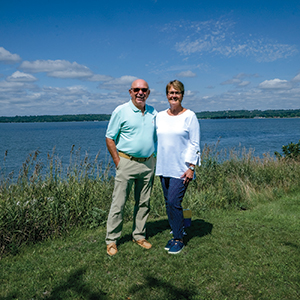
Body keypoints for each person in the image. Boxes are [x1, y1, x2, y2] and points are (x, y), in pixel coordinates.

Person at [105, 79, 157, 256]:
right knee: (118, 203)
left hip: (148, 163)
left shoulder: (153, 112)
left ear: (148, 93)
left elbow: (156, 137)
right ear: (130, 92)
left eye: (144, 90)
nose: (140, 93)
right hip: (126, 162)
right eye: (136, 90)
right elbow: (110, 137)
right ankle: (112, 240)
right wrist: (118, 162)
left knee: (143, 203)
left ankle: (139, 235)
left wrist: (154, 157)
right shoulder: (121, 111)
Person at [155, 80, 200, 254]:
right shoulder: (160, 116)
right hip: (163, 166)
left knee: (174, 201)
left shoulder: (190, 116)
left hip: (181, 169)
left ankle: (178, 238)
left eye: (177, 93)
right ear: (166, 95)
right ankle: (178, 228)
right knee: (169, 203)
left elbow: (195, 142)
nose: (174, 96)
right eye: (171, 93)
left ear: (182, 95)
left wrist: (191, 167)